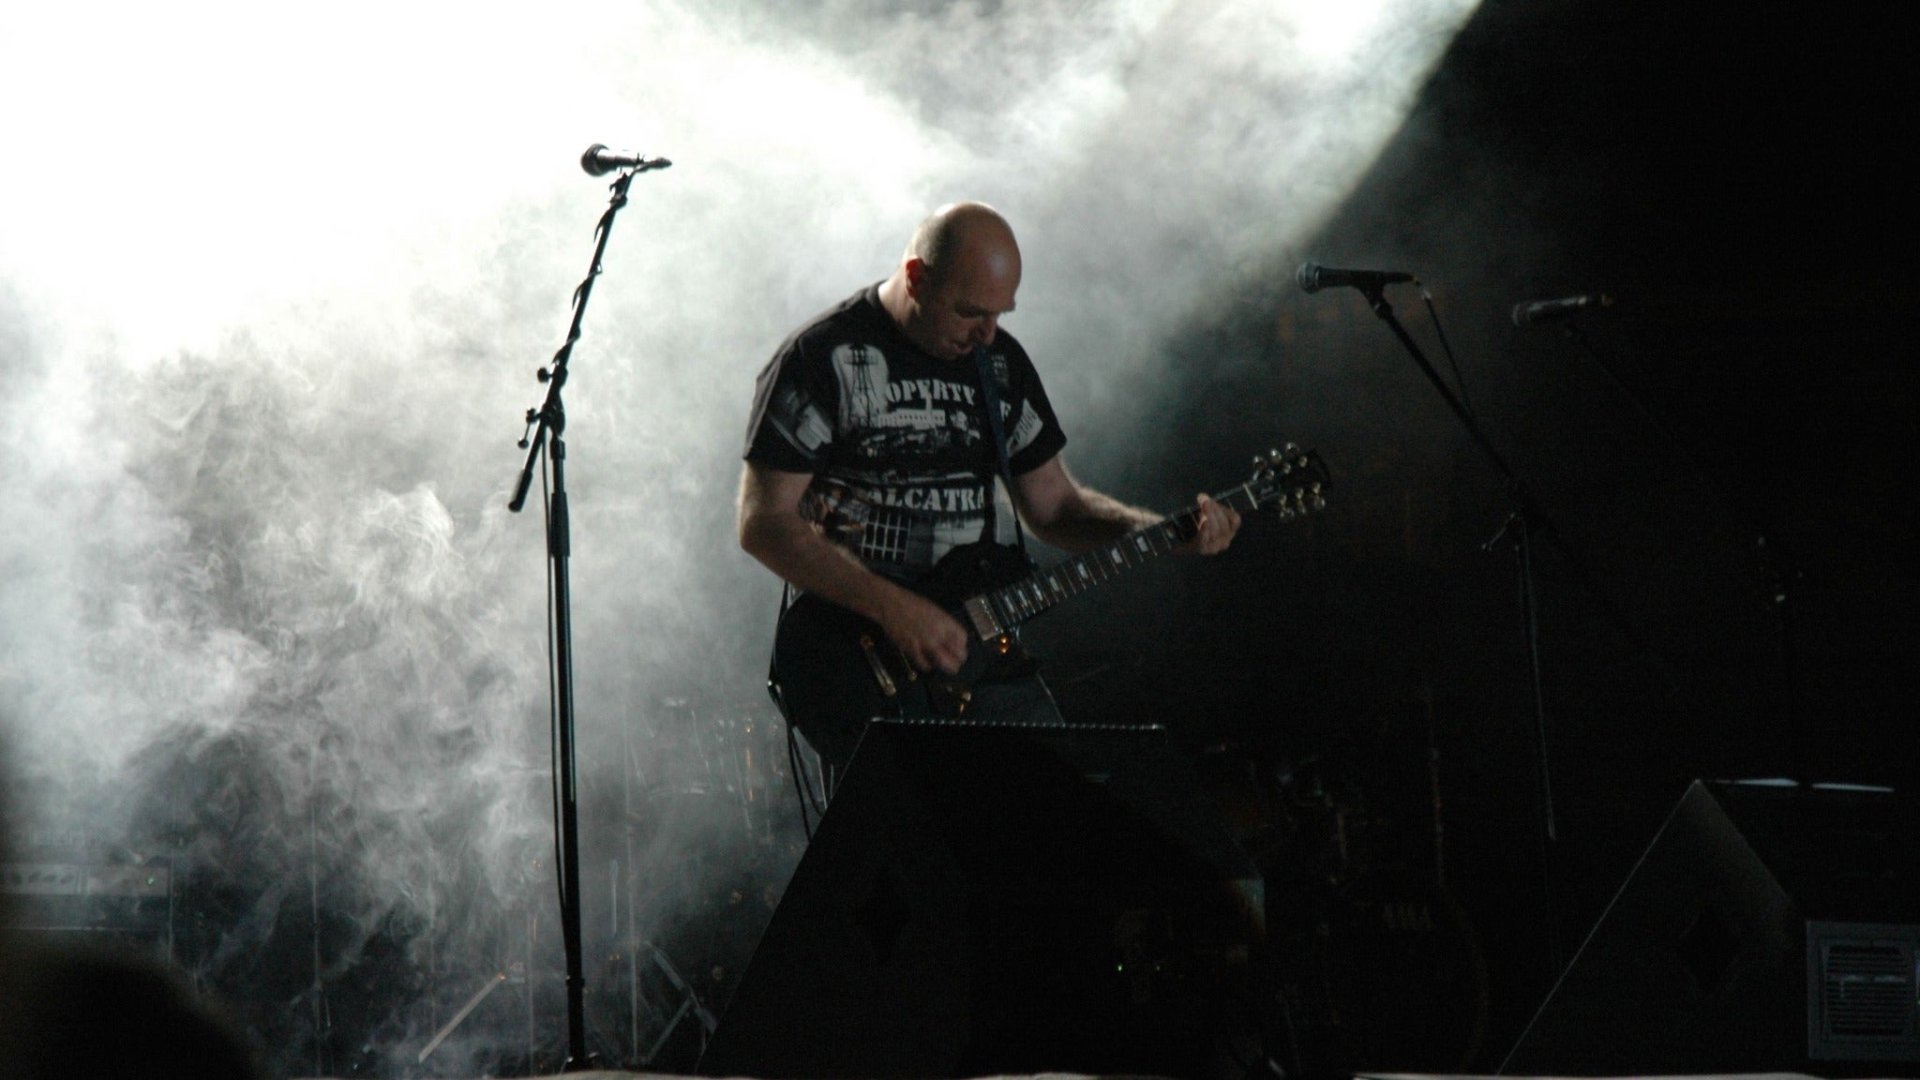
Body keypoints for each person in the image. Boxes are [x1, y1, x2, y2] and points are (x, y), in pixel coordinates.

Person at [737, 201, 1239, 768]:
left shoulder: (998, 365)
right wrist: (894, 608)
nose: (988, 333)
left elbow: (1053, 509)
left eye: (1001, 314)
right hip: (865, 662)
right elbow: (764, 524)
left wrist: (1162, 532)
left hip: (985, 655)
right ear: (916, 278)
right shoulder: (821, 358)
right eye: (971, 312)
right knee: (920, 842)